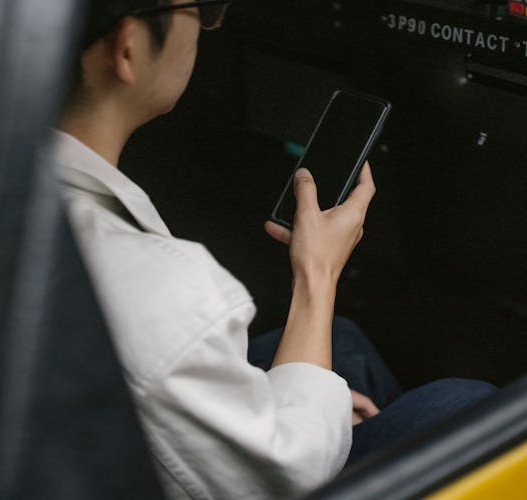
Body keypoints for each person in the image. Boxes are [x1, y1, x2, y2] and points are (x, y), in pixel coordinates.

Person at [46, 1, 495, 498]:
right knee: (469, 406)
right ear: (128, 48)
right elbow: (292, 473)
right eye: (202, 8)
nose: (210, 25)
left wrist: (294, 401)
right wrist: (316, 272)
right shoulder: (156, 286)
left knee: (343, 346)